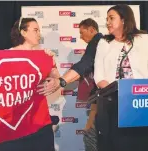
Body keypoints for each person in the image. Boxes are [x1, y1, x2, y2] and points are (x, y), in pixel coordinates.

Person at [0, 17, 60, 151]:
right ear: (23, 33)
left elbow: (56, 76)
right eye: (35, 30)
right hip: (12, 130)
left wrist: (56, 80)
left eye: (39, 30)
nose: (39, 34)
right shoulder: (5, 57)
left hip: (38, 126)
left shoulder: (43, 57)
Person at [93, 4, 148, 151]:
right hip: (113, 105)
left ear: (124, 20)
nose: (108, 22)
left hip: (142, 104)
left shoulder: (144, 39)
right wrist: (118, 95)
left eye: (111, 18)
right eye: (107, 19)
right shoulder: (104, 42)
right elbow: (99, 75)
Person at [37, 18, 103, 151]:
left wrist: (61, 81)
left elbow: (83, 66)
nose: (80, 36)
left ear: (92, 29)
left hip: (102, 99)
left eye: (82, 32)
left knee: (91, 138)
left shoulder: (96, 42)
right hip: (100, 100)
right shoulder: (100, 44)